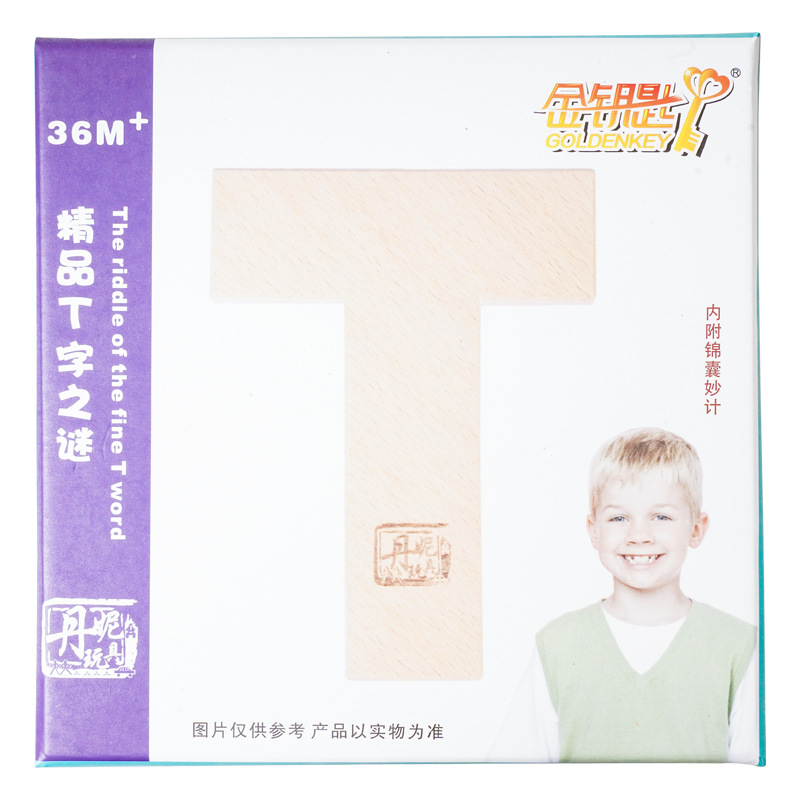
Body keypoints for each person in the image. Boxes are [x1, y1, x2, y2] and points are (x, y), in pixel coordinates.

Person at [491, 428, 758, 763]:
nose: (639, 536)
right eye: (619, 517)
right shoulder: (559, 645)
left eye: (661, 517)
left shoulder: (738, 646)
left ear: (696, 528)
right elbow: (510, 774)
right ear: (594, 530)